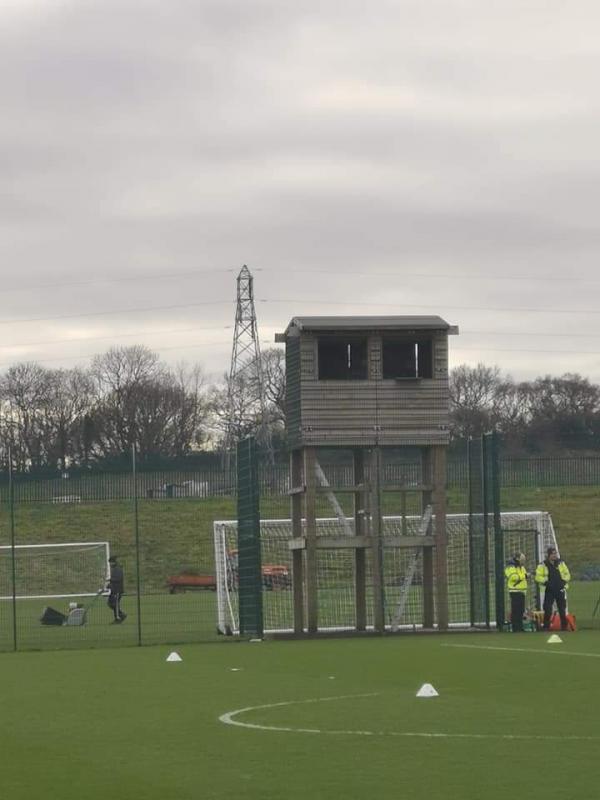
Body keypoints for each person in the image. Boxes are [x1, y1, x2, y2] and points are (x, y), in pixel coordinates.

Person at [535, 546, 571, 631]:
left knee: (562, 609)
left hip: (560, 589)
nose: (555, 555)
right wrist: (546, 582)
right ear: (548, 555)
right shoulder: (543, 564)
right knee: (547, 609)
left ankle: (564, 626)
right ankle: (546, 626)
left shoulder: (561, 563)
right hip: (549, 590)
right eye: (553, 554)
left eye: (555, 553)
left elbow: (567, 574)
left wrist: (564, 581)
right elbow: (537, 577)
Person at [504, 552, 528, 632]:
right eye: (522, 559)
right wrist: (525, 576)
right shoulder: (511, 567)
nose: (523, 561)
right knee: (516, 611)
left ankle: (520, 627)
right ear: (517, 559)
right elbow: (513, 577)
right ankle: (515, 628)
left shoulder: (521, 567)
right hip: (515, 591)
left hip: (522, 591)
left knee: (521, 611)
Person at [107, 555, 127, 624]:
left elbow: (118, 579)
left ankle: (118, 618)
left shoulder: (118, 569)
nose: (110, 564)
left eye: (111, 563)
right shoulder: (114, 569)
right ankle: (121, 614)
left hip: (117, 590)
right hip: (113, 590)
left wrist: (110, 580)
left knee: (115, 604)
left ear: (113, 562)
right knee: (110, 603)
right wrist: (109, 585)